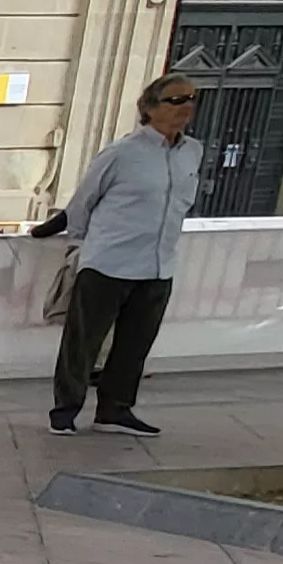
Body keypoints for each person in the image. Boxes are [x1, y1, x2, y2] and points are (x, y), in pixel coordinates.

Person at [48, 74, 203, 438]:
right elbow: (84, 201)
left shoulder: (192, 152)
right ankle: (65, 409)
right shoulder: (122, 153)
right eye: (175, 101)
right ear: (149, 108)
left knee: (136, 342)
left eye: (191, 99)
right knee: (83, 341)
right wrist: (81, 244)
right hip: (109, 261)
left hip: (158, 263)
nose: (186, 108)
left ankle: (116, 409)